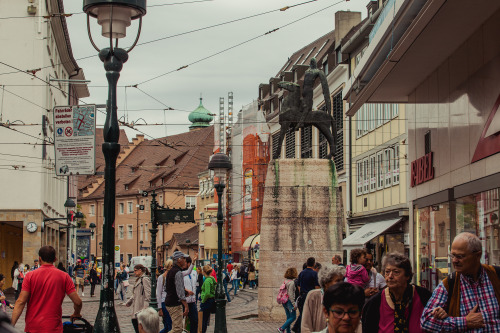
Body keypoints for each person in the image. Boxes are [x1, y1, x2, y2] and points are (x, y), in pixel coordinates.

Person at [421, 232, 500, 332]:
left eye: (460, 256)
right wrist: (464, 322)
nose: (454, 260)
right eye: (452, 255)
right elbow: (426, 321)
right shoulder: (449, 284)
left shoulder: (496, 276)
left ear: (478, 255)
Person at [11, 246, 82, 332]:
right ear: (55, 259)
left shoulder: (30, 276)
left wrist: (11, 325)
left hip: (33, 327)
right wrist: (76, 313)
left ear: (39, 259)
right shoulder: (64, 276)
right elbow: (78, 302)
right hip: (53, 328)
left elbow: (21, 302)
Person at [362, 252, 431, 333]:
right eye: (387, 272)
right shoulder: (374, 304)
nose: (390, 276)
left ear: (407, 275)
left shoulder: (424, 297)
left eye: (396, 272)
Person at [302, 264, 346, 333]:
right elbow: (305, 326)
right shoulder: (313, 296)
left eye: (342, 280)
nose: (341, 284)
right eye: (337, 281)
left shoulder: (345, 297)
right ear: (326, 283)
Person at [296, 58, 331, 131]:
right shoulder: (317, 71)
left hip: (304, 91)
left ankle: (299, 122)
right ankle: (301, 122)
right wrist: (329, 108)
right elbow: (325, 86)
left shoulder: (307, 71)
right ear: (315, 63)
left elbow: (304, 83)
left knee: (304, 106)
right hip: (308, 91)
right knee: (306, 107)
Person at [293, 257, 321, 333]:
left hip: (303, 295)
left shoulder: (302, 273)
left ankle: (298, 329)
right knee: (310, 315)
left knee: (303, 314)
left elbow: (298, 285)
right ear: (314, 264)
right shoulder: (314, 273)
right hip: (311, 296)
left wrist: (301, 292)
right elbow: (317, 286)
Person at [165, 251, 190, 333]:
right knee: (177, 329)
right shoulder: (177, 272)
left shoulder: (170, 271)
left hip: (169, 301)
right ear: (179, 260)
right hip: (174, 303)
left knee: (176, 327)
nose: (185, 260)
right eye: (183, 258)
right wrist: (186, 306)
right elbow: (179, 292)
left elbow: (167, 287)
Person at [126, 264, 151, 333]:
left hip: (141, 307)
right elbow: (135, 294)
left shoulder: (145, 279)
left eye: (135, 271)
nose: (134, 272)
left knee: (141, 328)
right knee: (135, 324)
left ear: (140, 270)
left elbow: (148, 294)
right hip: (137, 307)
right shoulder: (138, 279)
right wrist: (129, 302)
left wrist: (145, 308)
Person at [278, 267, 298, 333]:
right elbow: (291, 294)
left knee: (288, 317)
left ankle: (288, 331)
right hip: (289, 301)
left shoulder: (285, 281)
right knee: (293, 317)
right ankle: (282, 328)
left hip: (284, 301)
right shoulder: (292, 283)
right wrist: (293, 303)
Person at [157, 259, 173, 333]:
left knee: (167, 326)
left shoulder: (173, 276)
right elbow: (158, 293)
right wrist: (160, 308)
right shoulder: (161, 277)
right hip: (164, 303)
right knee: (169, 326)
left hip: (171, 302)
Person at [183, 256, 198, 333]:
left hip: (192, 301)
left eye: (185, 262)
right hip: (183, 301)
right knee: (180, 322)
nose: (183, 263)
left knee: (195, 320)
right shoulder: (181, 273)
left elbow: (195, 285)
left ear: (188, 264)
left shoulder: (194, 273)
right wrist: (186, 290)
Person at [200, 265, 216, 333]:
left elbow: (207, 293)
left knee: (203, 320)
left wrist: (203, 301)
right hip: (211, 300)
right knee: (205, 319)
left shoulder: (207, 281)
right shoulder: (212, 279)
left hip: (207, 301)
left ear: (204, 272)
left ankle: (202, 331)